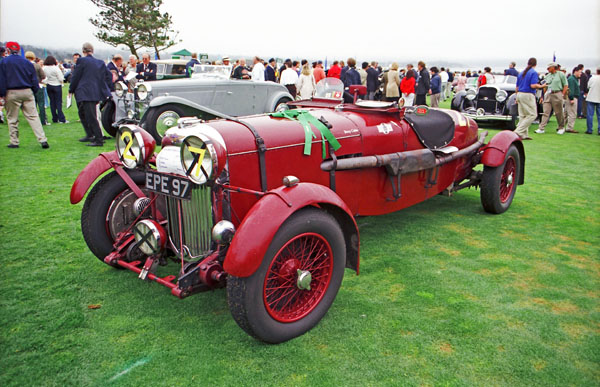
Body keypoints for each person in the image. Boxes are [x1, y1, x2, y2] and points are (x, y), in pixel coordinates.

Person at [0, 41, 49, 149]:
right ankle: (43, 139)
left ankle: (14, 141)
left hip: (12, 91)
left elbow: (2, 79)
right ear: (18, 50)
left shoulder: (4, 62)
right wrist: (34, 90)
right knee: (33, 117)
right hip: (27, 91)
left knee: (12, 118)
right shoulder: (27, 62)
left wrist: (2, 94)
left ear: (8, 50)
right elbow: (34, 79)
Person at [68, 42, 112, 146]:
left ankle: (98, 139)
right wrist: (106, 87)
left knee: (90, 115)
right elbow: (108, 75)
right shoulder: (100, 62)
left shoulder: (81, 61)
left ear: (83, 51)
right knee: (83, 113)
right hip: (95, 91)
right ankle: (90, 134)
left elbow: (76, 76)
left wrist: (71, 89)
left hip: (85, 92)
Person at [514, 57, 543, 140]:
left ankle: (524, 134)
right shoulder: (533, 73)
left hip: (519, 94)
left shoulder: (521, 73)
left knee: (523, 115)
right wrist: (541, 86)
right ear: (535, 64)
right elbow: (533, 85)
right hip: (528, 94)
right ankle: (518, 131)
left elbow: (517, 87)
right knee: (532, 114)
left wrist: (517, 97)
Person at [535, 62, 568, 135]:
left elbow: (565, 85)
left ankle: (561, 127)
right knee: (545, 112)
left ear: (554, 67)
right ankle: (541, 128)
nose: (547, 69)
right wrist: (543, 95)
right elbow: (545, 85)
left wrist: (562, 94)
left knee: (558, 112)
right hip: (548, 94)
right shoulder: (548, 75)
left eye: (549, 67)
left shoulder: (561, 74)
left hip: (557, 93)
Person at [25, 51, 48, 126]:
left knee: (32, 105)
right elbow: (43, 75)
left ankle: (32, 121)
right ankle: (43, 120)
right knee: (41, 104)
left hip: (28, 87)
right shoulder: (37, 66)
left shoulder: (24, 66)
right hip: (38, 86)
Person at [43, 55, 68, 124]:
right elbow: (60, 78)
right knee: (58, 102)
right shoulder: (56, 68)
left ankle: (54, 118)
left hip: (49, 85)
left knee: (52, 102)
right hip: (56, 85)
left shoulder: (44, 68)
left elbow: (43, 77)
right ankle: (61, 118)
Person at [564, 67, 581, 133]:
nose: (580, 74)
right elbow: (570, 89)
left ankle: (561, 126)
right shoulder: (572, 79)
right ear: (575, 71)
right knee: (572, 113)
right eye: (580, 72)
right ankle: (569, 128)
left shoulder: (574, 79)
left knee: (566, 113)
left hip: (572, 97)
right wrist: (571, 98)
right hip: (572, 97)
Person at [585, 66, 600, 135]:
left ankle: (589, 129)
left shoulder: (592, 78)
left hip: (591, 97)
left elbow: (588, 86)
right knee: (599, 115)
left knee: (590, 115)